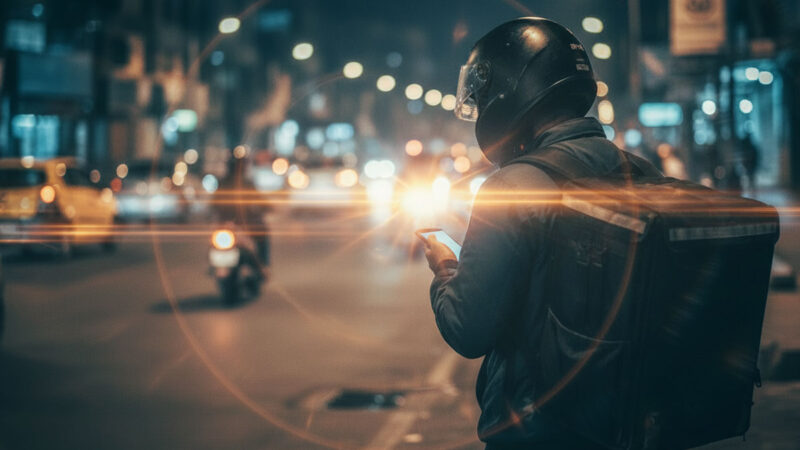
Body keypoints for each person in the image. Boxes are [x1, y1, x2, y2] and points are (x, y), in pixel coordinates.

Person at [420, 18, 659, 449]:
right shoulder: (642, 173)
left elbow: (467, 328)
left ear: (510, 92)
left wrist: (444, 268)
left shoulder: (512, 187)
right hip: (631, 428)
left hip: (537, 431)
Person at [213, 155, 272, 280]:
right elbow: (261, 202)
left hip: (228, 226)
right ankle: (264, 265)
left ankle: (262, 266)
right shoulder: (245, 183)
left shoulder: (224, 183)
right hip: (239, 226)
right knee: (263, 233)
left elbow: (213, 204)